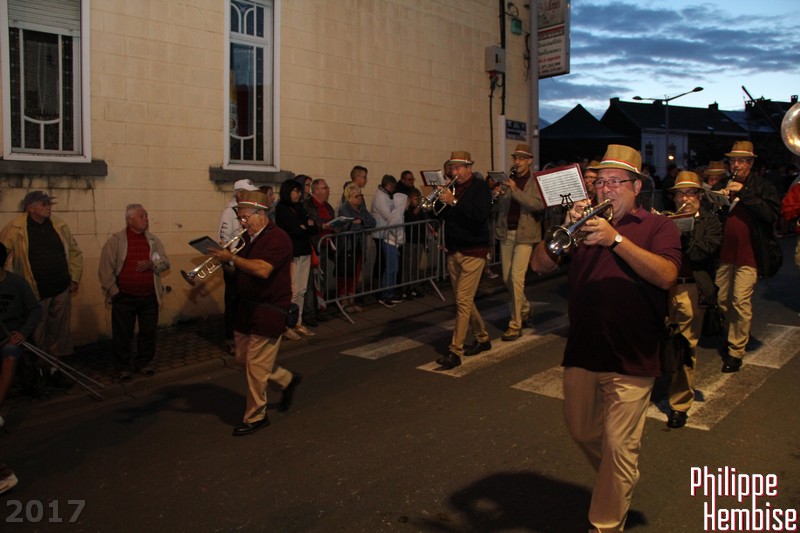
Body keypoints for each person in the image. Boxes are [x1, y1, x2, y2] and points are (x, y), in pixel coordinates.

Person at [530, 144, 681, 532]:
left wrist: (615, 240)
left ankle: (606, 524)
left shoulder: (658, 226)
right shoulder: (582, 226)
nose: (605, 189)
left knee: (617, 446)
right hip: (584, 348)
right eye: (599, 182)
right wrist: (567, 227)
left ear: (636, 187)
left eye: (615, 182)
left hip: (634, 353)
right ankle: (621, 473)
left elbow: (667, 276)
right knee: (582, 431)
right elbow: (540, 264)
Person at [207, 191, 302, 436]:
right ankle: (286, 379)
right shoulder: (247, 239)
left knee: (256, 366)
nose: (242, 222)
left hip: (269, 309)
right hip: (246, 308)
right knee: (244, 360)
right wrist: (226, 261)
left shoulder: (278, 238)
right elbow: (240, 270)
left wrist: (232, 258)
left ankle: (256, 416)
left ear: (261, 214)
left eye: (245, 217)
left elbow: (262, 270)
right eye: (240, 218)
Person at [0, 190, 83, 389]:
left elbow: (74, 252)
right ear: (31, 207)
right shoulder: (16, 228)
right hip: (35, 291)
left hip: (61, 288)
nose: (48, 207)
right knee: (37, 333)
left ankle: (55, 369)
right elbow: (1, 253)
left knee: (59, 332)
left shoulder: (59, 225)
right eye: (44, 204)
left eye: (49, 204)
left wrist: (74, 278)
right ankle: (38, 371)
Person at [715, 141, 781, 373]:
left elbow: (770, 214)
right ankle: (733, 333)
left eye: (742, 161)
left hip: (750, 253)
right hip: (725, 254)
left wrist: (744, 193)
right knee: (722, 300)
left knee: (740, 301)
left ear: (751, 164)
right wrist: (719, 201)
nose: (736, 165)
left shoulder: (763, 186)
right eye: (733, 161)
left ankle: (736, 350)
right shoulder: (723, 184)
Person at [663, 172, 722, 429]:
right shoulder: (665, 220)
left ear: (699, 196)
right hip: (664, 287)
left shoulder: (711, 222)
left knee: (685, 346)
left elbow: (701, 252)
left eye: (690, 193)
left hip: (690, 289)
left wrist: (680, 232)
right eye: (680, 193)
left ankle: (679, 403)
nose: (685, 198)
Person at [434, 151, 493, 369]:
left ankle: (455, 351)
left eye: (458, 167)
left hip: (474, 251)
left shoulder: (480, 187)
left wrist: (454, 201)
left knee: (462, 300)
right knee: (465, 300)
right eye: (452, 168)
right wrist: (439, 199)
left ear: (469, 168)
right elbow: (440, 215)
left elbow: (479, 216)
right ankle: (482, 338)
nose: (454, 172)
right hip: (454, 250)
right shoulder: (452, 188)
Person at [98, 204, 170, 382]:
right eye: (141, 216)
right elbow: (105, 270)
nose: (146, 219)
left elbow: (164, 263)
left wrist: (151, 264)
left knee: (148, 333)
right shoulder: (116, 241)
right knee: (123, 335)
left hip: (148, 297)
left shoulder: (152, 241)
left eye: (146, 216)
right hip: (124, 297)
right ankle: (123, 367)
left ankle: (143, 363)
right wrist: (115, 293)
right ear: (130, 220)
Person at [494, 144, 546, 341]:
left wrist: (515, 190)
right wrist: (497, 194)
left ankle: (515, 324)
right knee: (507, 278)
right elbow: (501, 208)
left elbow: (537, 205)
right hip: (507, 232)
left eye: (522, 158)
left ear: (529, 160)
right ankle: (524, 308)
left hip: (526, 234)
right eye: (515, 158)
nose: (517, 162)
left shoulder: (535, 182)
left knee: (516, 278)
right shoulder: (509, 179)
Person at [0, 243, 43, 409]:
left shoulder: (17, 283)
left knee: (9, 358)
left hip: (11, 336)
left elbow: (35, 310)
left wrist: (23, 332)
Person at [275, 178, 318, 339]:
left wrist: (305, 227)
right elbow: (293, 229)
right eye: (295, 191)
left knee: (302, 290)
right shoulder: (282, 208)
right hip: (293, 253)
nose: (298, 194)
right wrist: (305, 226)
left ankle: (297, 322)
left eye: (299, 191)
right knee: (292, 289)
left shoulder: (300, 207)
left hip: (305, 251)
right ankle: (287, 324)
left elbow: (313, 228)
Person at [219, 179, 259, 351]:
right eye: (248, 193)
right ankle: (230, 338)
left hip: (246, 262)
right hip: (233, 263)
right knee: (233, 302)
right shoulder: (229, 212)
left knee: (245, 303)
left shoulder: (251, 210)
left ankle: (245, 336)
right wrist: (230, 257)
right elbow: (223, 238)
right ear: (240, 194)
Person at [337, 184, 376, 312]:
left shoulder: (362, 208)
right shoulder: (344, 208)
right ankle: (344, 301)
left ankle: (352, 301)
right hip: (347, 246)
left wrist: (361, 222)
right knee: (345, 274)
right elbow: (349, 226)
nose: (360, 198)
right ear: (349, 197)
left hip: (359, 244)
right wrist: (360, 223)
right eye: (356, 196)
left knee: (355, 273)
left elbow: (372, 222)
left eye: (361, 195)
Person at [371, 174, 407, 308]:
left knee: (392, 267)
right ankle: (384, 293)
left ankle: (388, 292)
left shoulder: (386, 196)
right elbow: (389, 217)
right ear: (389, 185)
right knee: (388, 267)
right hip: (385, 236)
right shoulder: (380, 197)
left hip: (389, 237)